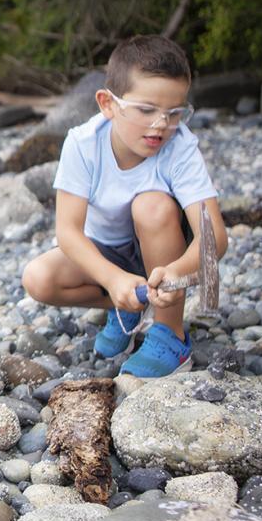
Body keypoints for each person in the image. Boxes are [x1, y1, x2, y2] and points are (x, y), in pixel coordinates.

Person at [21, 36, 227, 377]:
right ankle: (127, 305)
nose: (161, 124)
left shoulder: (181, 148)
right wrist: (114, 280)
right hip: (108, 251)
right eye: (146, 110)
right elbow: (69, 233)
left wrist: (176, 273)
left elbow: (214, 237)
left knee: (152, 206)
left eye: (175, 113)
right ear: (107, 103)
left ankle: (170, 333)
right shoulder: (84, 143)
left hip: (164, 251)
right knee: (39, 278)